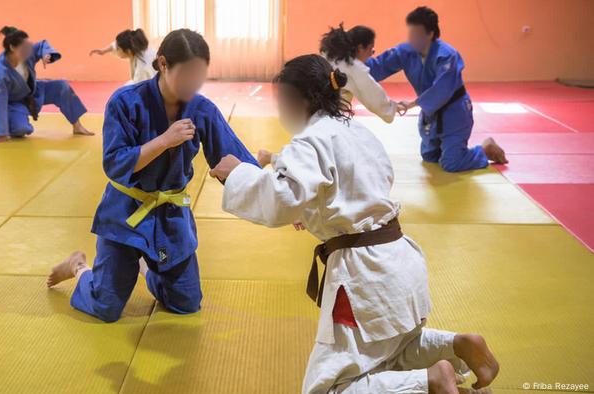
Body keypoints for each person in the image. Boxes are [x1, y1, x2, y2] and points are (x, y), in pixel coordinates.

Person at [209, 54, 499, 393]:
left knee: (331, 386)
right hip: (399, 262)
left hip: (364, 278)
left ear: (298, 100)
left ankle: (429, 381)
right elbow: (350, 192)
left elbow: (280, 200)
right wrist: (313, 213)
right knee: (393, 349)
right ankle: (456, 346)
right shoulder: (356, 131)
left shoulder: (311, 139)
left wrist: (237, 175)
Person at [47, 29, 258, 323]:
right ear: (162, 64)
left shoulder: (201, 109)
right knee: (106, 307)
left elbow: (234, 157)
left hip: (169, 216)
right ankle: (80, 267)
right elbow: (115, 163)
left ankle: (147, 267)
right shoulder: (125, 102)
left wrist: (275, 196)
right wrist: (164, 141)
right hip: (125, 213)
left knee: (186, 303)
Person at [366, 7, 507, 172]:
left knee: (450, 163)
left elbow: (442, 90)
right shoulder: (406, 51)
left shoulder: (447, 55)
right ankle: (450, 147)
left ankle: (484, 150)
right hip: (430, 114)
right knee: (430, 157)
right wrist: (353, 59)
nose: (411, 38)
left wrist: (411, 104)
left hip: (455, 112)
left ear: (430, 34)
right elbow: (376, 67)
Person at [0, 26, 93, 143]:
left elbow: (42, 45)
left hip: (34, 91)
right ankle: (13, 120)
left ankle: (77, 126)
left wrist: (46, 54)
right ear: (12, 47)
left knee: (61, 86)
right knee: (20, 129)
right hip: (15, 103)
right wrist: (1, 134)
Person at [320, 23, 404, 123]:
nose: (372, 52)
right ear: (360, 48)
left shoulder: (332, 50)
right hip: (322, 111)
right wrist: (392, 108)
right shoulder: (354, 68)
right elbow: (371, 92)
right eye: (370, 48)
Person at [89, 28, 157, 84]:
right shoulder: (139, 49)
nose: (116, 49)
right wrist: (103, 51)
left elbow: (139, 89)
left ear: (128, 51)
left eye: (118, 49)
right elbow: (114, 45)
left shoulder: (142, 67)